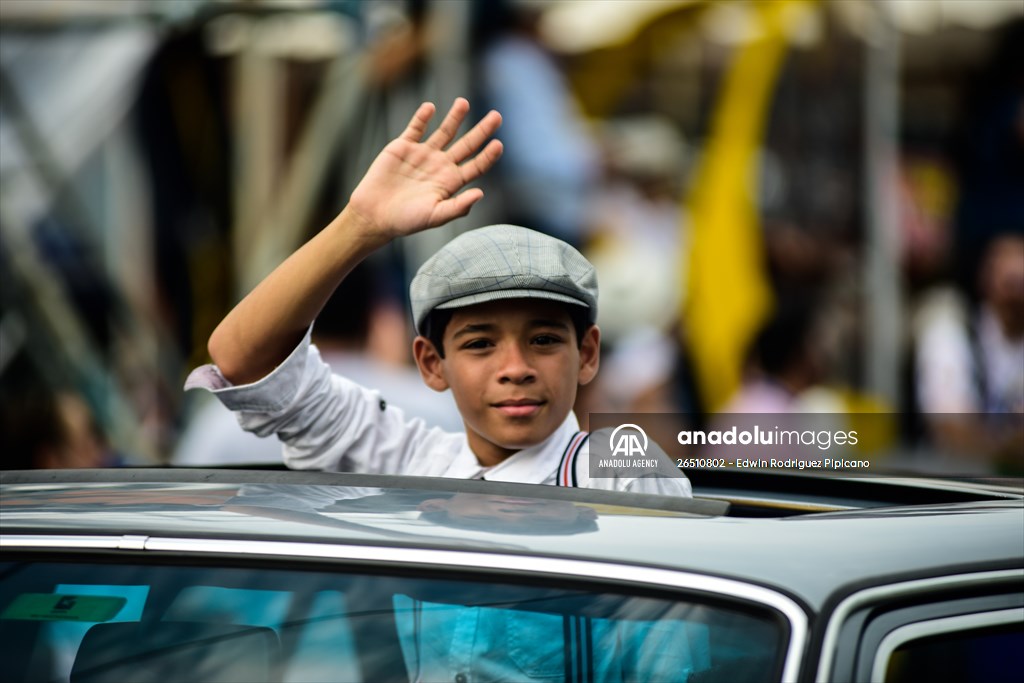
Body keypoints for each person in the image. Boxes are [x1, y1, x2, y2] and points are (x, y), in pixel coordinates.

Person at [185, 97, 690, 497]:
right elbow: (240, 360)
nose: (516, 367)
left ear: (587, 354)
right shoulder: (411, 460)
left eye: (542, 340)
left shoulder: (618, 471)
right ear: (431, 364)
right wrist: (358, 227)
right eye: (479, 344)